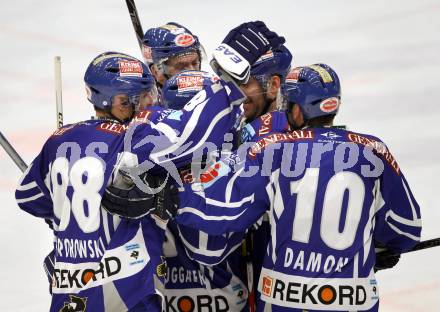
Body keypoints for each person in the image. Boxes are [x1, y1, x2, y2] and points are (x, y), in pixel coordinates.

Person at [17, 21, 286, 311]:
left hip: (78, 292)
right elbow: (190, 134)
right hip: (139, 290)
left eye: (194, 60)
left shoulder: (63, 138)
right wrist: (230, 84)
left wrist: (67, 235)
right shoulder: (142, 133)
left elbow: (30, 198)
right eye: (143, 96)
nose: (150, 101)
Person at [174, 64, 422, 311]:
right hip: (354, 300)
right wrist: (381, 247)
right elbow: (406, 228)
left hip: (284, 300)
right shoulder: (373, 150)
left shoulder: (271, 148)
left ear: (300, 111)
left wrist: (173, 195)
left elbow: (222, 212)